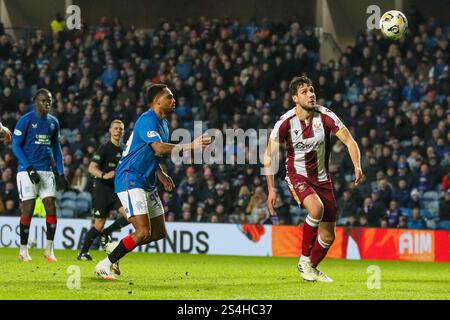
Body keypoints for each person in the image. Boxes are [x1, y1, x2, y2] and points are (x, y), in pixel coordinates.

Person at [95, 84, 210, 280]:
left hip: (147, 180)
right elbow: (157, 148)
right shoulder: (147, 120)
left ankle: (117, 248)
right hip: (130, 178)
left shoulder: (163, 124)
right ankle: (104, 264)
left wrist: (160, 173)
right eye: (170, 97)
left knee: (157, 233)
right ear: (158, 100)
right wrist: (191, 145)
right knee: (142, 231)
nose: (174, 101)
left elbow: (148, 153)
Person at [264, 76, 363, 282]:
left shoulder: (326, 116)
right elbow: (268, 155)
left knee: (328, 236)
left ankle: (311, 268)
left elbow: (349, 141)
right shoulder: (284, 123)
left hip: (323, 180)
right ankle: (304, 261)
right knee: (315, 209)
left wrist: (357, 166)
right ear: (295, 98)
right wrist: (271, 189)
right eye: (305, 92)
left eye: (311, 90)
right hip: (297, 175)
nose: (311, 94)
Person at [12, 88, 69, 262]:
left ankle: (49, 251)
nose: (47, 103)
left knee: (51, 207)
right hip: (26, 171)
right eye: (44, 100)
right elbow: (15, 145)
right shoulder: (26, 120)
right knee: (28, 209)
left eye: (49, 101)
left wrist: (61, 172)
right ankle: (23, 251)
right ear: (36, 101)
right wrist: (28, 168)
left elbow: (57, 149)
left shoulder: (53, 122)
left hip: (46, 171)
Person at [78, 120, 130, 267]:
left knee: (129, 215)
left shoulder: (125, 149)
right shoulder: (104, 148)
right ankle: (83, 252)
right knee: (99, 223)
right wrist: (104, 175)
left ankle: (106, 233)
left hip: (117, 190)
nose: (118, 131)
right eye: (115, 128)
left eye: (120, 129)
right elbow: (91, 167)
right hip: (102, 189)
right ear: (110, 131)